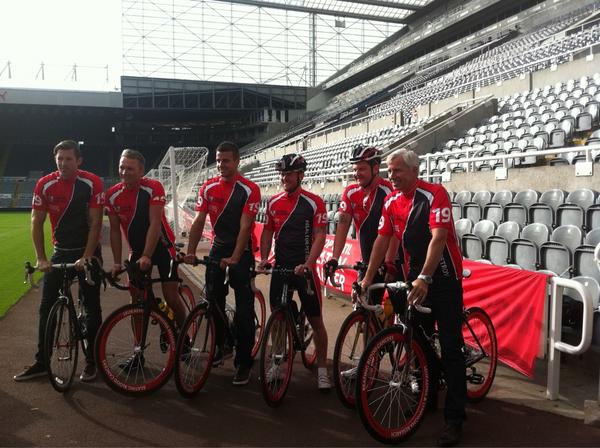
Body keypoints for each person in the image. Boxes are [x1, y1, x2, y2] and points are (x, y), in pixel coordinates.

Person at [360, 148, 466, 447]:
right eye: (389, 171)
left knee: (450, 348)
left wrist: (426, 277)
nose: (391, 176)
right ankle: (427, 399)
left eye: (397, 170)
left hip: (443, 279)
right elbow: (382, 239)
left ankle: (455, 418)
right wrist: (368, 278)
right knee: (418, 341)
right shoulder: (391, 201)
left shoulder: (434, 194)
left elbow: (439, 237)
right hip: (415, 279)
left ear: (414, 170)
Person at [14, 140, 104, 382]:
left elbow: (96, 222)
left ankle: (93, 361)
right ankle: (42, 362)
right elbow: (36, 221)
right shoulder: (45, 184)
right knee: (46, 306)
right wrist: (41, 258)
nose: (63, 163)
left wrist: (87, 256)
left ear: (79, 161)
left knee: (91, 305)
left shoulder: (92, 182)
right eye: (59, 159)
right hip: (61, 251)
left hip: (87, 251)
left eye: (68, 159)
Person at [185, 141, 260, 386]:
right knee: (212, 301)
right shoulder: (208, 187)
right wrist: (190, 252)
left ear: (237, 161)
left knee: (244, 308)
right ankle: (223, 344)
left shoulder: (249, 189)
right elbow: (199, 221)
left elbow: (246, 227)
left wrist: (236, 257)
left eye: (226, 160)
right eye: (218, 161)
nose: (221, 165)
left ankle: (244, 362)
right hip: (218, 247)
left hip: (242, 249)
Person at [257, 154, 331, 391]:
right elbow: (267, 232)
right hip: (282, 267)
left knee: (316, 321)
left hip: (304, 270)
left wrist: (308, 264)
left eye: (288, 174)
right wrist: (264, 259)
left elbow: (320, 235)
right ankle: (277, 362)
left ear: (300, 175)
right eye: (282, 174)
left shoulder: (314, 202)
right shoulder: (273, 202)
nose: (284, 178)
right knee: (277, 319)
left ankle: (322, 369)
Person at [105, 149, 186, 327]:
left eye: (130, 168)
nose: (124, 172)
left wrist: (147, 255)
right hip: (137, 250)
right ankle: (138, 344)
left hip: (162, 247)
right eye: (121, 167)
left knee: (171, 296)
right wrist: (117, 263)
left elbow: (155, 223)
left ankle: (184, 334)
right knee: (136, 300)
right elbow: (115, 231)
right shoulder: (111, 195)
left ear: (141, 171)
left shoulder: (153, 187)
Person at [325, 144, 400, 289]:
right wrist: (335, 258)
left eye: (361, 169)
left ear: (375, 168)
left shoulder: (388, 191)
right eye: (354, 170)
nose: (356, 174)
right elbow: (342, 227)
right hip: (367, 261)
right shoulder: (350, 193)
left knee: (398, 302)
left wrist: (390, 261)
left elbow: (395, 231)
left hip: (391, 260)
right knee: (361, 298)